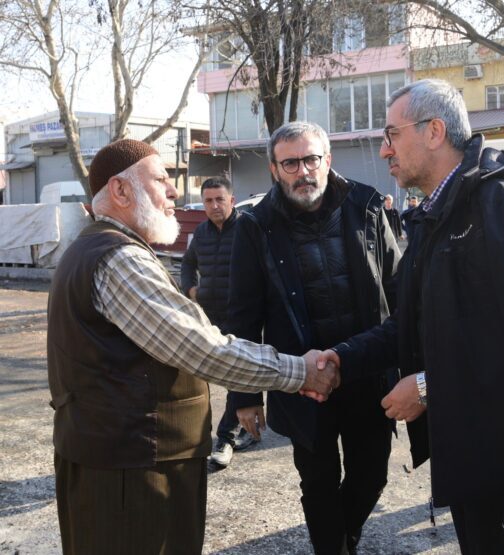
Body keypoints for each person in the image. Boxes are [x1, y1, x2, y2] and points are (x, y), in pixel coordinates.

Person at [316, 79, 504, 554]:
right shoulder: (436, 216)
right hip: (476, 469)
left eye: (391, 134)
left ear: (434, 131)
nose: (384, 150)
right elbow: (411, 326)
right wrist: (341, 361)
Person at [46, 139, 337, 555]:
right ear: (120, 191)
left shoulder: (99, 248)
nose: (173, 192)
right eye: (161, 179)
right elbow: (203, 349)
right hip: (132, 473)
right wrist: (301, 371)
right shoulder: (118, 259)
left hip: (123, 461)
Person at [225, 121, 401, 554]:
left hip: (367, 374)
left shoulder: (367, 206)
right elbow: (243, 315)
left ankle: (342, 539)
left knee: (372, 475)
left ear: (328, 160)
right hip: (301, 384)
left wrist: (413, 370)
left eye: (311, 159)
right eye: (290, 163)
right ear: (274, 168)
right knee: (318, 483)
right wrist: (245, 395)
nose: (303, 171)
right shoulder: (255, 225)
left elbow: (399, 292)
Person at [180, 176, 255, 469]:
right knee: (199, 374)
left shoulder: (249, 228)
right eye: (208, 200)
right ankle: (204, 433)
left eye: (219, 199)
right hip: (208, 316)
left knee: (238, 375)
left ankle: (226, 437)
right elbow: (188, 263)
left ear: (232, 201)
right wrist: (190, 289)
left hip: (242, 315)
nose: (213, 206)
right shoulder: (201, 232)